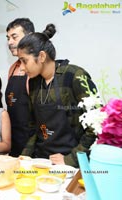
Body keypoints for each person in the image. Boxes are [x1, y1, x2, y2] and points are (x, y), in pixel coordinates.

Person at [18, 24, 97, 167]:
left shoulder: (74, 76)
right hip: (41, 160)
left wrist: (71, 159)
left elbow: (97, 123)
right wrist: (25, 155)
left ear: (41, 56)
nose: (22, 68)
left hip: (70, 162)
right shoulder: (34, 83)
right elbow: (34, 126)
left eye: (24, 61)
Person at [5, 18, 36, 157]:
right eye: (8, 38)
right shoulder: (12, 68)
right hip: (14, 141)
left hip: (33, 145)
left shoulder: (36, 69)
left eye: (14, 37)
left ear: (29, 37)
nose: (9, 42)